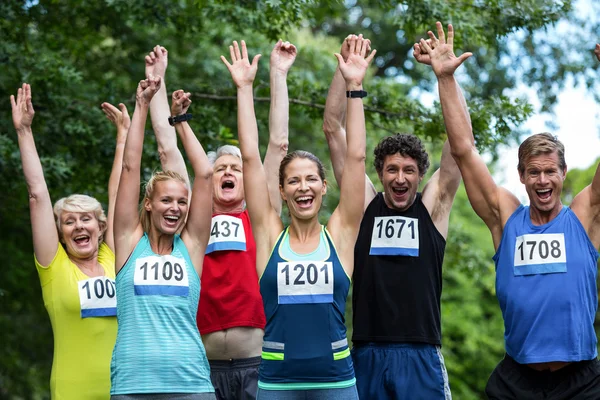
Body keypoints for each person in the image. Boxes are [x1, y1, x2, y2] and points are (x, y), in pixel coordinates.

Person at [425, 21, 600, 399]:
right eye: (533, 172)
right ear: (521, 176)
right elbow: (465, 151)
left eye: (550, 171)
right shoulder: (507, 217)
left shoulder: (584, 217)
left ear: (563, 173)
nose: (542, 181)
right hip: (517, 381)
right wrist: (445, 80)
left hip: (582, 381)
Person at [221, 36, 375, 399]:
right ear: (283, 191)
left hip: (336, 383)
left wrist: (355, 87)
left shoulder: (340, 233)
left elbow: (355, 159)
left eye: (310, 179)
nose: (302, 187)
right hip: (277, 385)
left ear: (324, 187)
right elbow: (249, 159)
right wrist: (244, 89)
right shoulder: (268, 232)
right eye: (293, 180)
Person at [144, 41, 296, 400]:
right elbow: (168, 149)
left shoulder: (261, 214)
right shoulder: (192, 217)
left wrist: (279, 74)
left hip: (257, 362)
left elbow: (278, 145)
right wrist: (157, 83)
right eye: (219, 168)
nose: (227, 172)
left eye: (236, 168)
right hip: (201, 366)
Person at [323, 34, 462, 399]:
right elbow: (334, 132)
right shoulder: (366, 204)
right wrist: (348, 74)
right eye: (392, 169)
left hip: (421, 353)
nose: (400, 178)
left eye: (409, 170)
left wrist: (445, 77)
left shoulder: (432, 208)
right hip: (367, 351)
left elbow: (460, 146)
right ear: (380, 173)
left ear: (419, 175)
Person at [11, 83, 126, 399]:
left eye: (86, 218)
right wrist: (23, 131)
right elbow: (37, 194)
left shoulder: (111, 257)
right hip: (72, 391)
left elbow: (118, 195)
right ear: (60, 233)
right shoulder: (54, 264)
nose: (78, 225)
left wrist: (122, 139)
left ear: (101, 227)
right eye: (69, 221)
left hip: (127, 390)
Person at [109, 74, 215, 399]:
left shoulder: (192, 246)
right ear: (149, 204)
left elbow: (206, 173)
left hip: (191, 384)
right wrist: (141, 105)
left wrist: (181, 121)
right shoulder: (128, 241)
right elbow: (130, 168)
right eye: (166, 200)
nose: (175, 208)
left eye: (182, 202)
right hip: (132, 384)